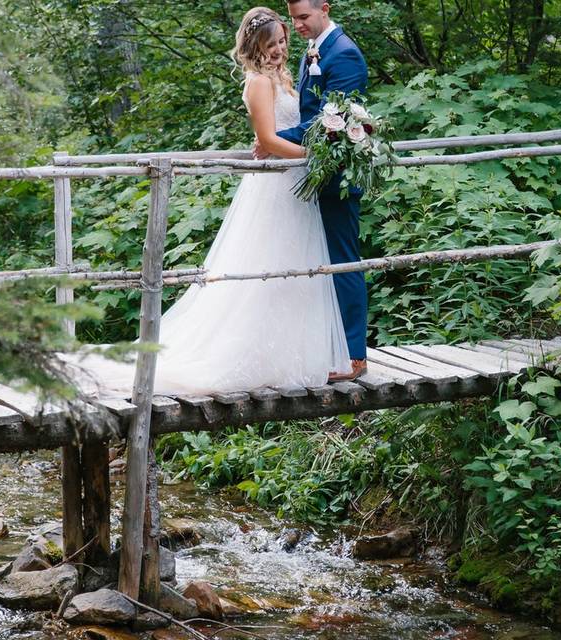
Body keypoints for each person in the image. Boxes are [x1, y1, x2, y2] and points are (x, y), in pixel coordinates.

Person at [60, 6, 350, 396]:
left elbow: (290, 128)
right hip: (276, 185)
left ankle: (290, 352)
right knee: (267, 267)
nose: (280, 49)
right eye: (272, 45)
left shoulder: (280, 77)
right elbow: (267, 141)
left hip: (293, 184)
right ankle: (256, 353)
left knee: (293, 270)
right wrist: (314, 157)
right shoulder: (258, 83)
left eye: (282, 41)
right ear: (255, 47)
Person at [256, 0, 370, 382]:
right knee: (316, 264)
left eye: (303, 17)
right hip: (310, 175)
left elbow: (328, 123)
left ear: (325, 8)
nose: (297, 26)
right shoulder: (315, 50)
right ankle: (326, 349)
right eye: (293, 19)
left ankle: (354, 356)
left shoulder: (346, 54)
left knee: (342, 261)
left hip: (335, 179)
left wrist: (273, 140)